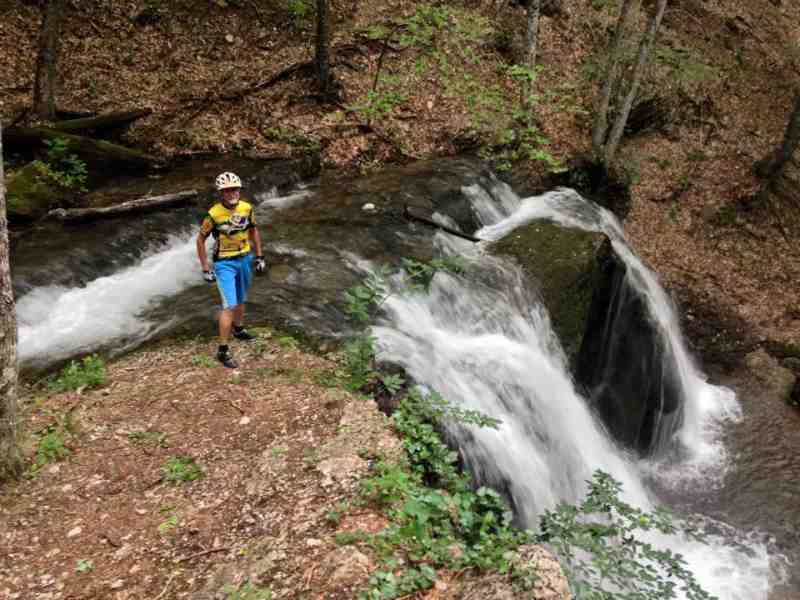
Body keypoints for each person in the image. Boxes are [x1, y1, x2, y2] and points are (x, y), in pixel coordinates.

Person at [196, 171, 266, 368]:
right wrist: (205, 268)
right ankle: (223, 350)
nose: (231, 193)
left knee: (241, 298)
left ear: (239, 190)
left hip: (245, 258)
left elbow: (253, 230)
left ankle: (239, 329)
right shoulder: (213, 214)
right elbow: (200, 240)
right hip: (224, 263)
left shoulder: (247, 208)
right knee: (229, 306)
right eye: (227, 191)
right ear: (221, 193)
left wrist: (259, 256)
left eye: (234, 189)